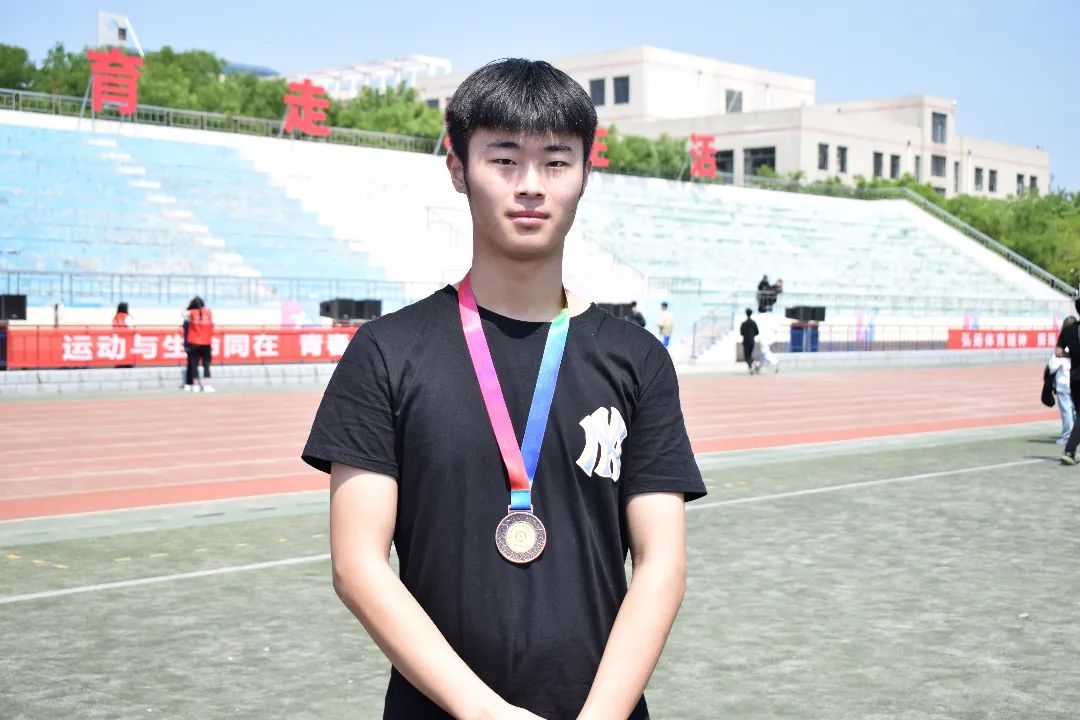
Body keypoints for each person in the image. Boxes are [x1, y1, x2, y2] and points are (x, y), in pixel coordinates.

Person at [302, 58, 705, 720]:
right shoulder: (386, 353)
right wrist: (485, 714)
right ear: (458, 169)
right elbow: (357, 564)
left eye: (556, 162)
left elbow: (662, 564)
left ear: (586, 174)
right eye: (504, 160)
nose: (531, 186)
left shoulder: (637, 360)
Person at [1056, 301, 1080, 464]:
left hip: (1075, 377)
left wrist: (1072, 355)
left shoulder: (1069, 329)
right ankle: (1069, 450)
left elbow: (1058, 352)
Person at [1051, 316, 1077, 446]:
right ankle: (1075, 436)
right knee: (1075, 411)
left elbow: (1053, 366)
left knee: (1067, 411)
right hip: (1075, 380)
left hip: (1064, 382)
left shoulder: (1064, 342)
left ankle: (1068, 437)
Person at [184, 296, 215, 393]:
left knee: (194, 365)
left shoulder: (191, 313)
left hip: (194, 342)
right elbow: (212, 325)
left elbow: (184, 316)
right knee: (206, 365)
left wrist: (188, 307)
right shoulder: (209, 313)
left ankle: (195, 385)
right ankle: (207, 385)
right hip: (206, 342)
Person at [739, 308, 759, 374]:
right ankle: (754, 365)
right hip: (752, 341)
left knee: (747, 356)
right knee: (750, 355)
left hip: (746, 341)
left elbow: (741, 333)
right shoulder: (754, 323)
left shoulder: (744, 323)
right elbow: (757, 332)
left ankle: (751, 368)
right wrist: (752, 335)